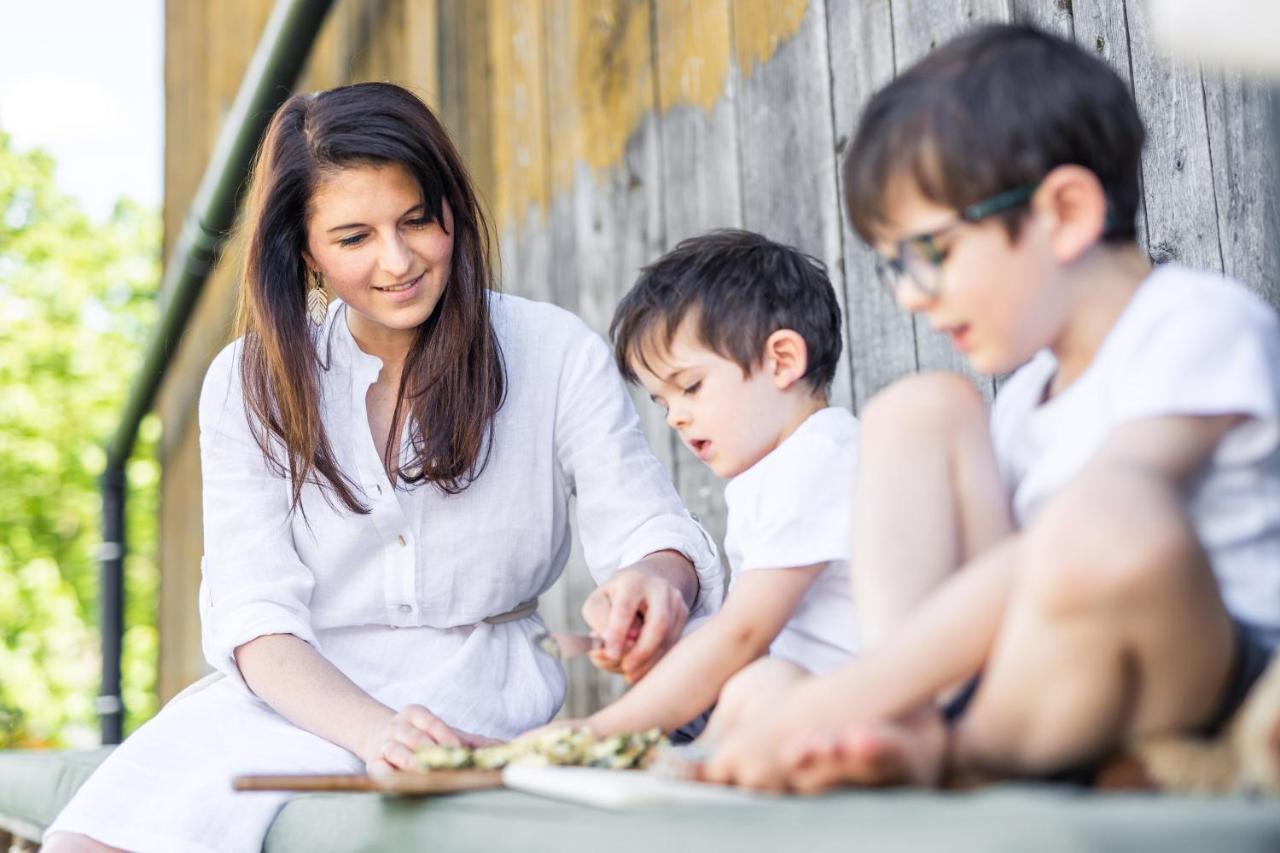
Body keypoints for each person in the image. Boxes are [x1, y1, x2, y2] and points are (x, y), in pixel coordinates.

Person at [44, 82, 721, 852]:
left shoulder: (554, 351)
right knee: (89, 839)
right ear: (304, 251)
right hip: (294, 697)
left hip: (473, 695)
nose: (397, 261)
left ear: (453, 212)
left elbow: (648, 528)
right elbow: (253, 615)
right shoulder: (248, 381)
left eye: (415, 221)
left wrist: (655, 582)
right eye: (354, 237)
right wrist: (373, 729)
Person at [703, 24, 1280, 791]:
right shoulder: (1029, 399)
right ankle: (917, 721)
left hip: (1203, 682)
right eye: (892, 267)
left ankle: (951, 749)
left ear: (1065, 212)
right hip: (1047, 678)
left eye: (929, 251)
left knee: (1106, 517)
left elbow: (1085, 540)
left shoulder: (1193, 322)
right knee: (920, 406)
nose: (910, 294)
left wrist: (843, 698)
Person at [557, 229, 860, 741]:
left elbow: (742, 634)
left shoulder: (819, 457)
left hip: (853, 707)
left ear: (782, 360)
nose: (675, 417)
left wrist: (592, 733)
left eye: (690, 387)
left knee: (747, 687)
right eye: (662, 402)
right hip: (804, 702)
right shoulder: (774, 471)